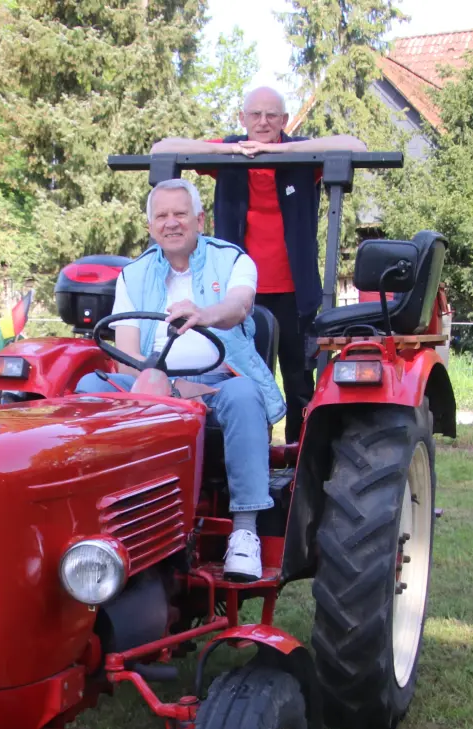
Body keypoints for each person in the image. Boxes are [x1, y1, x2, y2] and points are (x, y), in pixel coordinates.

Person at [76, 179, 284, 582]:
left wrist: (203, 314)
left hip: (218, 381)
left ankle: (244, 532)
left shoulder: (234, 260)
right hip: (151, 382)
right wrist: (154, 383)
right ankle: (95, 521)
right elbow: (128, 353)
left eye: (180, 214)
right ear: (151, 226)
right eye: (162, 216)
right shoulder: (132, 276)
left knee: (243, 394)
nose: (171, 223)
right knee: (88, 392)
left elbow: (239, 306)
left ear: (199, 220)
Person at [152, 86, 367, 444]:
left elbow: (356, 146)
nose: (263, 123)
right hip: (236, 297)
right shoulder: (231, 156)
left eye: (272, 116)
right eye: (255, 115)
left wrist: (278, 150)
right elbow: (162, 149)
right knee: (245, 380)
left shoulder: (301, 157)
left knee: (299, 383)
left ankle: (301, 461)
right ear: (243, 119)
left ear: (284, 120)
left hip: (294, 294)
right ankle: (253, 455)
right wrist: (231, 151)